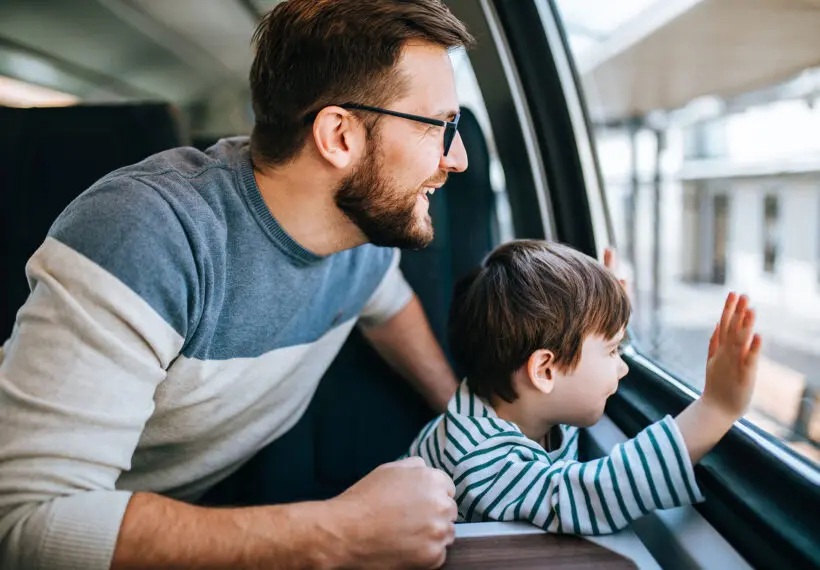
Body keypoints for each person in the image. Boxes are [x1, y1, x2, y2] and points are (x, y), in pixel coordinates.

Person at [0, 1, 475, 569]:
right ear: (339, 136)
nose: (458, 159)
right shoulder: (147, 235)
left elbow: (387, 305)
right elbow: (27, 525)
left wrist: (465, 422)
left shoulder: (362, 236)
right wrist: (342, 531)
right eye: (439, 126)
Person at [408, 240, 762, 534]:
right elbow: (594, 494)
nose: (624, 368)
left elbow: (581, 375)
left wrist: (604, 318)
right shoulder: (483, 462)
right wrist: (715, 409)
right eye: (612, 350)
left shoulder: (527, 405)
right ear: (545, 370)